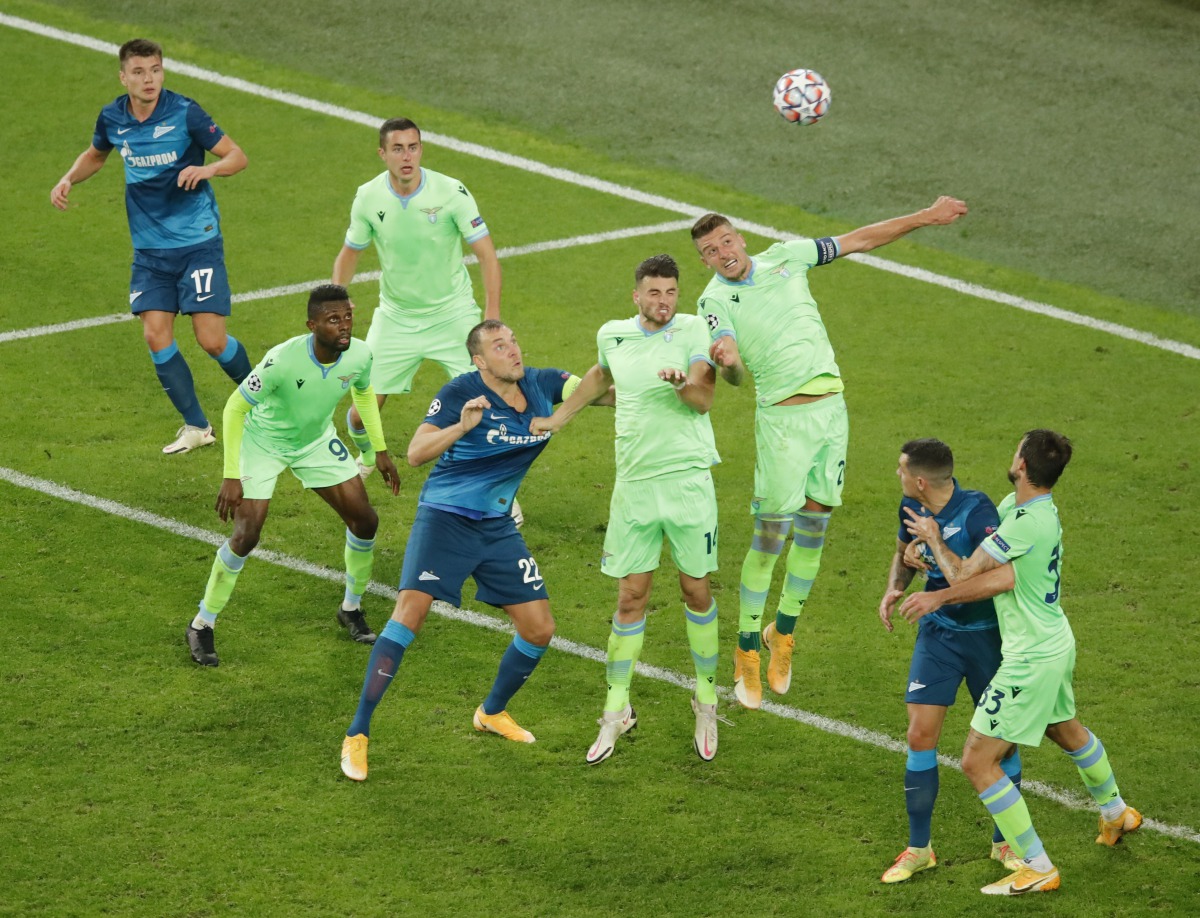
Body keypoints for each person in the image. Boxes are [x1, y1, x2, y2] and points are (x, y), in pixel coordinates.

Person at [691, 197, 969, 709]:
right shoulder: (713, 304)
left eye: (726, 241)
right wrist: (729, 363)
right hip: (782, 423)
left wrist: (924, 216)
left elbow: (859, 238)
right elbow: (730, 368)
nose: (723, 252)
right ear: (705, 261)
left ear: (740, 239)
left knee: (815, 525)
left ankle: (784, 635)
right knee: (772, 537)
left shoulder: (787, 256)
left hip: (832, 411)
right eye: (711, 250)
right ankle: (746, 650)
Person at [339, 320, 592, 781]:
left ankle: (491, 713)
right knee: (409, 615)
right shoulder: (461, 392)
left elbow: (596, 387)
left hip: (496, 527)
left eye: (514, 340)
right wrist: (460, 426)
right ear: (480, 360)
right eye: (500, 346)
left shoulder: (542, 384)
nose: (514, 350)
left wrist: (633, 362)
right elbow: (416, 453)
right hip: (445, 520)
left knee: (539, 629)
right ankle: (358, 734)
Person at [900, 430, 1141, 896]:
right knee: (1064, 728)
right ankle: (1116, 813)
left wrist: (936, 576)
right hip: (1054, 641)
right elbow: (1003, 578)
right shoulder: (1027, 510)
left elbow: (969, 573)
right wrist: (929, 556)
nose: (1011, 456)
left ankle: (1036, 865)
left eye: (1016, 451)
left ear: (1024, 466)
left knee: (977, 761)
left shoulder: (1023, 522)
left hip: (1031, 658)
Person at [531, 254, 723, 763]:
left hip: (686, 482)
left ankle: (706, 701)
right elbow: (599, 375)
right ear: (636, 295)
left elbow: (705, 398)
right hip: (634, 487)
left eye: (670, 292)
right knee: (630, 599)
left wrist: (682, 383)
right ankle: (615, 713)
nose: (664, 302)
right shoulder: (613, 334)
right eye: (654, 293)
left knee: (695, 590)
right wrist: (559, 418)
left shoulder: (692, 331)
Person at [51, 38, 251, 455]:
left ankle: (268, 399)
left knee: (212, 340)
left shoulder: (184, 112)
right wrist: (69, 177)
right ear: (123, 76)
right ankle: (197, 425)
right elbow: (96, 154)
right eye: (139, 72)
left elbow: (237, 156)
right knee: (155, 333)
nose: (149, 79)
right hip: (149, 252)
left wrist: (207, 167)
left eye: (155, 70)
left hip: (198, 243)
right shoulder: (112, 117)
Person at [186, 285, 400, 667]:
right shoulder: (282, 360)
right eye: (333, 320)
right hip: (263, 443)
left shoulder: (361, 354)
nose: (344, 326)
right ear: (312, 325)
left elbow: (363, 393)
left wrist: (377, 450)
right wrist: (231, 474)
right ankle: (202, 624)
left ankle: (350, 608)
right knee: (246, 534)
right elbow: (235, 408)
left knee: (365, 520)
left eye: (347, 317)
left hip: (315, 442)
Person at [876, 438, 1023, 883]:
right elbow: (903, 549)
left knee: (1003, 741)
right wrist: (896, 583)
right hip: (938, 637)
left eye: (901, 471)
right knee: (920, 734)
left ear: (921, 479)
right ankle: (919, 849)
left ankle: (1007, 844)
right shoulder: (911, 505)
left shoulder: (978, 513)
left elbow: (990, 576)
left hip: (986, 638)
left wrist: (935, 548)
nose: (898, 477)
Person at [331, 118, 503, 486]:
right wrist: (336, 302)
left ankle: (497, 494)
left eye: (413, 147)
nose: (406, 156)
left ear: (421, 149)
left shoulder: (451, 192)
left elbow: (487, 256)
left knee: (485, 405)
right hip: (396, 318)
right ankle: (364, 453)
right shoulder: (368, 196)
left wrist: (490, 318)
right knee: (362, 415)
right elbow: (350, 253)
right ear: (383, 154)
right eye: (397, 148)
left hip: (453, 316)